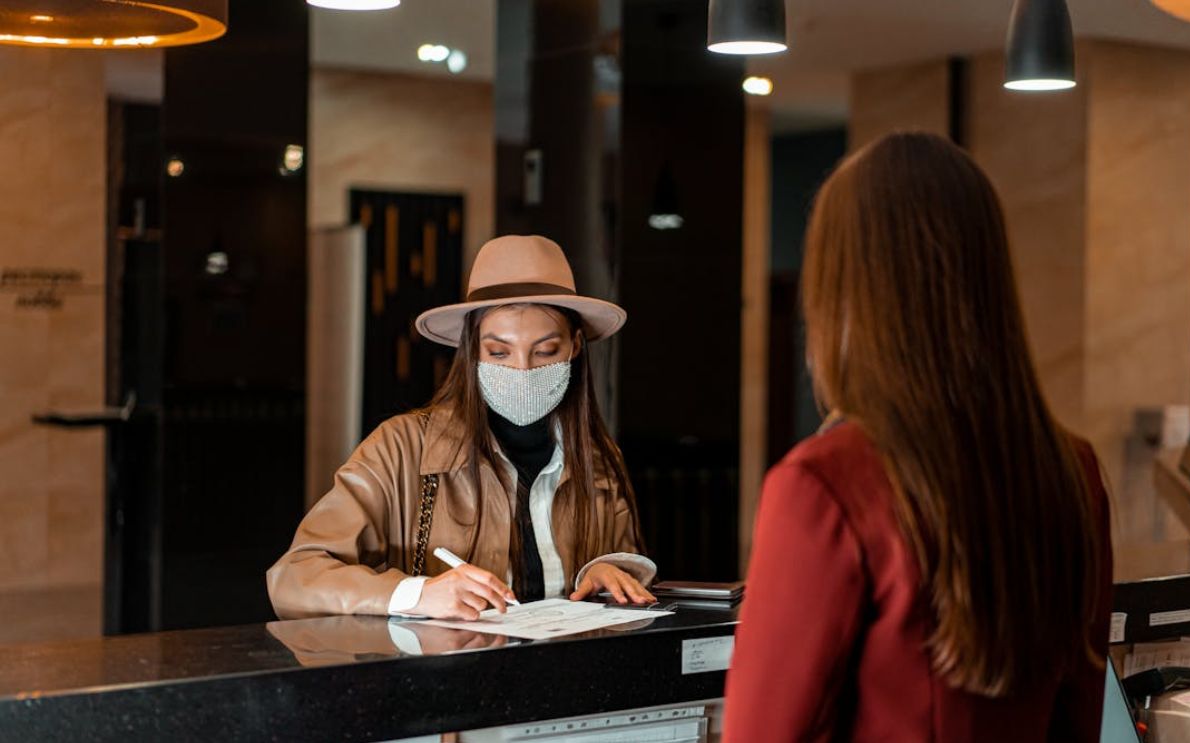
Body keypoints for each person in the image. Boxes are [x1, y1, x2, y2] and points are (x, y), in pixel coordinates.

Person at [723, 132, 1112, 742]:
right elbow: (1080, 719)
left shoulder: (824, 484)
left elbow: (761, 733)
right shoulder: (1070, 468)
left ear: (840, 289)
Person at [268, 235, 656, 621]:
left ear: (574, 346)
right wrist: (417, 594)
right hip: (446, 679)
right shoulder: (400, 447)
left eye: (545, 351)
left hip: (567, 676)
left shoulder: (598, 457)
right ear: (471, 351)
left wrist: (605, 572)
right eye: (499, 352)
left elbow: (621, 567)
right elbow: (294, 577)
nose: (522, 369)